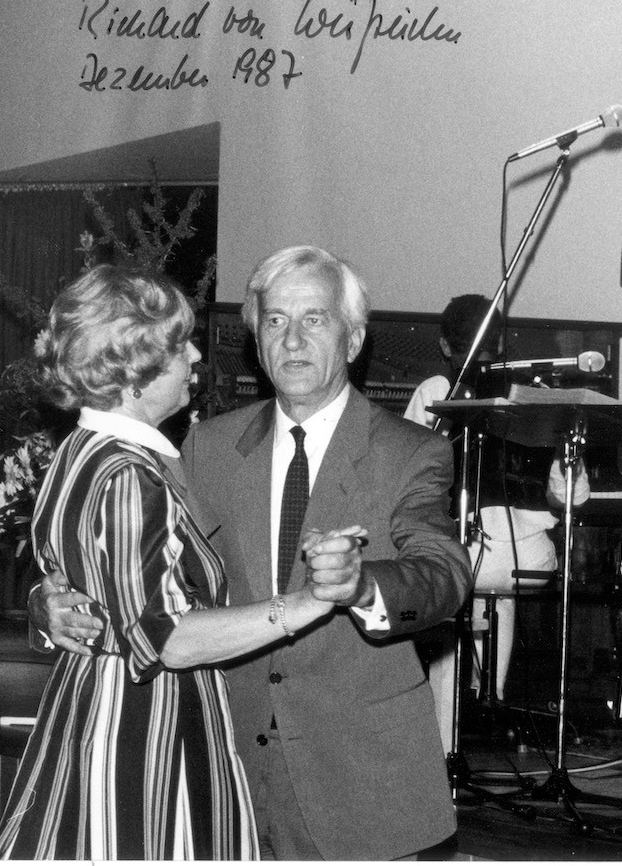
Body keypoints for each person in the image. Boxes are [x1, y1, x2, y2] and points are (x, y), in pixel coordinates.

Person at [37, 247, 472, 860]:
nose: (292, 339)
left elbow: (445, 575)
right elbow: (138, 571)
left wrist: (363, 584)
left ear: (353, 340)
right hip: (222, 772)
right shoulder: (204, 446)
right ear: (257, 341)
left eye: (314, 319)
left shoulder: (410, 451)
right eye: (275, 321)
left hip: (362, 788)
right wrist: (50, 604)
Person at [0, 264, 347, 859]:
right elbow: (169, 640)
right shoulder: (128, 476)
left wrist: (45, 603)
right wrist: (307, 602)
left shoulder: (82, 450)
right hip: (146, 731)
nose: (196, 356)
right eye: (180, 345)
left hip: (106, 709)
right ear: (134, 371)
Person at [403, 294, 588, 754]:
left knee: (445, 596)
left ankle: (443, 735)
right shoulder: (535, 396)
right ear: (501, 343)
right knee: (496, 598)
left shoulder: (437, 388)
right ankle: (492, 697)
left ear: (445, 346)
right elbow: (573, 496)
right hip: (533, 560)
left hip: (471, 553)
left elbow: (406, 472)